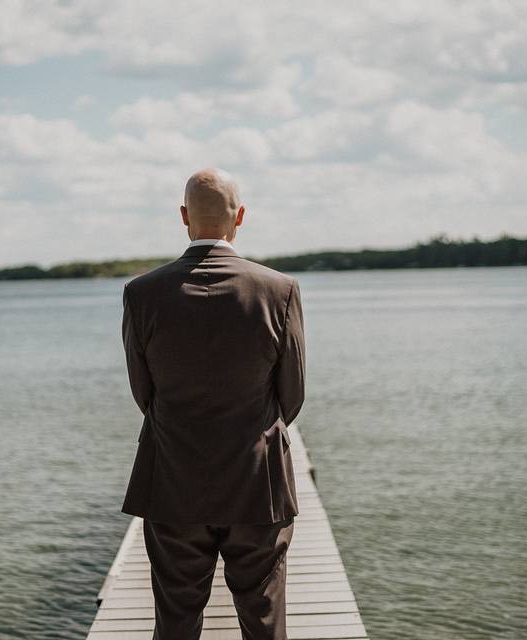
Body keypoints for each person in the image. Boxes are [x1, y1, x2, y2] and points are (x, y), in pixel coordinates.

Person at [120, 168, 306, 639]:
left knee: (176, 622)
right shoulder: (278, 290)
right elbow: (292, 395)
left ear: (184, 217)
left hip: (172, 482)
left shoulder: (141, 294)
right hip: (257, 483)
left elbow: (144, 394)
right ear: (239, 217)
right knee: (264, 620)